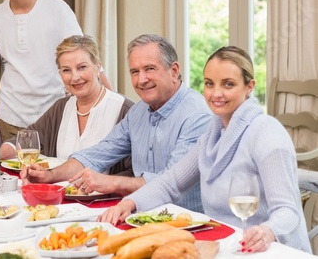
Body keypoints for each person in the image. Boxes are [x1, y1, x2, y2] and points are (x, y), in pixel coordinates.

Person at [98, 46, 311, 253]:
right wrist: (130, 203)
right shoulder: (214, 132)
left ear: (249, 87)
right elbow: (172, 182)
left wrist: (268, 230)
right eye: (210, 84)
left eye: (228, 84)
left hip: (274, 249)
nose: (216, 93)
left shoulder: (266, 132)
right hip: (229, 245)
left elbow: (288, 210)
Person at [21, 34, 212, 213]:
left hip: (186, 222)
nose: (141, 79)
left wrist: (112, 183)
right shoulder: (138, 112)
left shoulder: (197, 115)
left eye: (149, 69)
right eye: (135, 72)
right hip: (140, 216)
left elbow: (172, 181)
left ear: (174, 70)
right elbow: (98, 154)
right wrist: (50, 175)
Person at [0, 0, 112, 141]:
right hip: (9, 115)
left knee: (52, 170)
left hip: (53, 114)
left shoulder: (57, 9)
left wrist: (112, 100)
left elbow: (85, 55)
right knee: (12, 172)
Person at [0, 35, 134, 175]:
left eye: (82, 67)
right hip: (57, 196)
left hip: (105, 200)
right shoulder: (61, 107)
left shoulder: (125, 110)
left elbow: (134, 170)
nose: (75, 77)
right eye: (66, 70)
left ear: (98, 66)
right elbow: (26, 138)